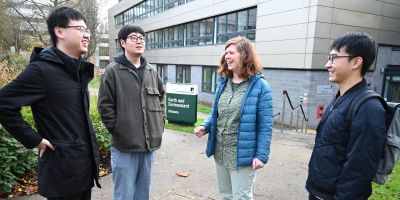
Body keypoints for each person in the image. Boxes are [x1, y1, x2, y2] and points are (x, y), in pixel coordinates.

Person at [0, 6, 100, 200]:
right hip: (61, 175)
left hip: (81, 171)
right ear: (59, 31)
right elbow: (3, 104)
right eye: (80, 29)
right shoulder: (41, 71)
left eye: (87, 30)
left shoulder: (76, 70)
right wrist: (34, 139)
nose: (86, 35)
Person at [306, 32, 387, 200]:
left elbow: (359, 172)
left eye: (334, 58)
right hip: (318, 192)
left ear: (356, 62)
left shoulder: (368, 108)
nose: (328, 64)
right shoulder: (341, 98)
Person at [194, 36, 273, 200]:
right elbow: (216, 111)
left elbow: (265, 126)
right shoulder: (224, 81)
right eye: (225, 53)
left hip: (242, 154)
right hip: (221, 151)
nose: (226, 56)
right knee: (226, 195)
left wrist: (261, 155)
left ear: (244, 55)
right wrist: (205, 126)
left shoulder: (260, 87)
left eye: (231, 52)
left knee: (241, 197)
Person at [97, 25, 165, 200]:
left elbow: (161, 99)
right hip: (124, 147)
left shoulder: (152, 71)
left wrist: (159, 124)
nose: (139, 41)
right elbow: (105, 107)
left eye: (142, 38)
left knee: (143, 194)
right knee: (124, 195)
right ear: (122, 42)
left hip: (149, 146)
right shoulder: (112, 71)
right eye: (134, 37)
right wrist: (119, 130)